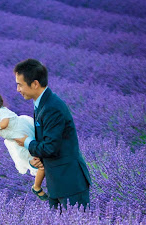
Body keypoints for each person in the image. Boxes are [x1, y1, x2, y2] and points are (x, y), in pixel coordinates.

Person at [14, 59, 91, 210]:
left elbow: (50, 147)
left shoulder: (52, 107)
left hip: (69, 182)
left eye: (20, 84)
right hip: (57, 182)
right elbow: (51, 143)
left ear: (35, 83)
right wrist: (39, 159)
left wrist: (27, 142)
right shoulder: (42, 104)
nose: (18, 89)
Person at [0, 88, 48, 200]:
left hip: (27, 134)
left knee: (43, 159)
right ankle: (37, 187)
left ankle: (38, 185)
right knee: (40, 164)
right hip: (19, 145)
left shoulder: (2, 112)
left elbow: (4, 124)